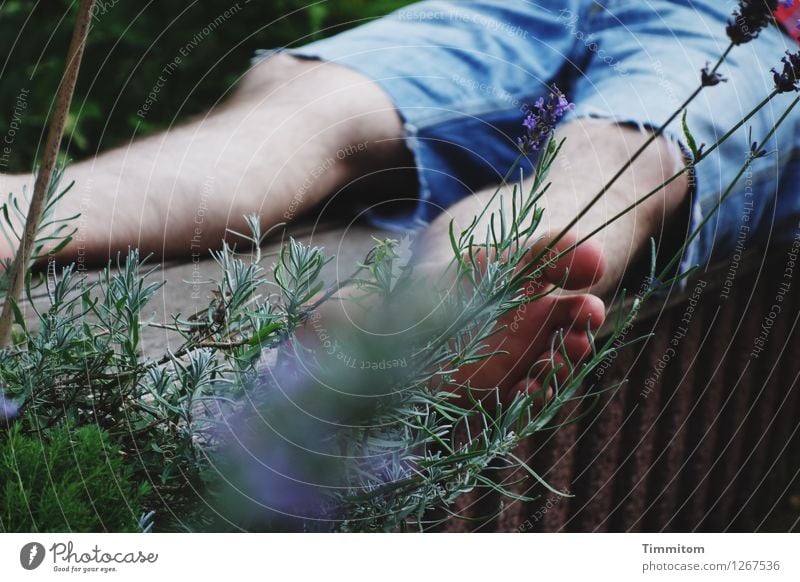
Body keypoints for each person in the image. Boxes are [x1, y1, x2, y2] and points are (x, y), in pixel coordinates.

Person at [1, 0, 798, 397]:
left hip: (769, 34)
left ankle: (443, 308)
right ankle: (16, 212)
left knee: (622, 155)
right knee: (313, 104)